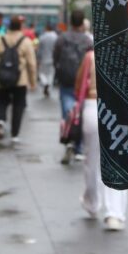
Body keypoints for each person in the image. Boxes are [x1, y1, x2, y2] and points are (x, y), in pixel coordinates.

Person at [77, 51, 127, 231]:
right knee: (117, 161)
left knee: (91, 160)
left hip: (92, 106)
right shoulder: (125, 52)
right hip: (117, 106)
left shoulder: (90, 56)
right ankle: (114, 213)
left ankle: (91, 202)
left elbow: (79, 87)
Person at [53, 10, 93, 164]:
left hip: (66, 80)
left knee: (67, 112)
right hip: (83, 84)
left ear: (70, 22)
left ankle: (68, 140)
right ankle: (78, 148)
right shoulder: (88, 41)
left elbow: (55, 57)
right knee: (81, 114)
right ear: (82, 22)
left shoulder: (62, 39)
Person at [0, 16, 36, 143]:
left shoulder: (1, 40)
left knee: (1, 101)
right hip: (20, 79)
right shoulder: (26, 41)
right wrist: (32, 82)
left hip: (2, 77)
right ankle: (14, 134)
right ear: (20, 27)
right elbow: (31, 64)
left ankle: (0, 120)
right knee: (18, 105)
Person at [36, 24, 58, 98]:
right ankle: (48, 83)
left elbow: (40, 50)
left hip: (44, 59)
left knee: (41, 73)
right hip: (53, 59)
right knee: (51, 74)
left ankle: (45, 83)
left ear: (46, 28)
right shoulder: (56, 37)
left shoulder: (42, 37)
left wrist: (38, 59)